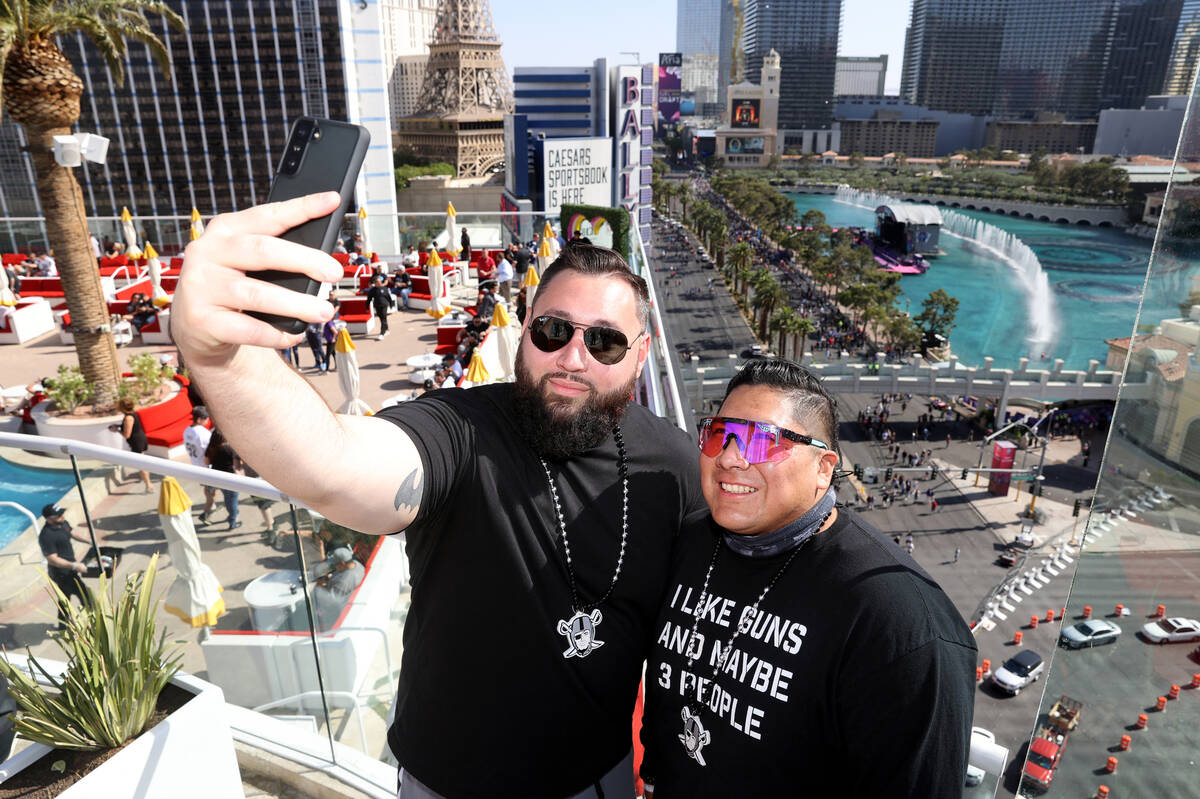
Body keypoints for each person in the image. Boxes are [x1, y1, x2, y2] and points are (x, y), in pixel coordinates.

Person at [171, 192, 704, 798]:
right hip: (446, 783)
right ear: (526, 331)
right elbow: (337, 467)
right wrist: (225, 358)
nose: (571, 357)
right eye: (553, 331)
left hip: (595, 780)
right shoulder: (460, 426)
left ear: (640, 355)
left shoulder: (676, 466)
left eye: (604, 343)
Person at [639, 360, 976, 798]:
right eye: (720, 434)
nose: (730, 458)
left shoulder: (900, 620)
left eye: (763, 441)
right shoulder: (689, 542)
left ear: (823, 468)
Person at [38, 505, 103, 630]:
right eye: (59, 515)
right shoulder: (46, 536)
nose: (63, 516)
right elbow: (52, 559)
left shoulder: (62, 523)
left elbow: (72, 533)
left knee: (65, 599)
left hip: (70, 570)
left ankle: (63, 626)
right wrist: (74, 565)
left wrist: (90, 541)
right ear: (49, 519)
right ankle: (95, 621)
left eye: (62, 513)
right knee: (84, 595)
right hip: (61, 573)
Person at [309, 545, 364, 630]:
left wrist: (319, 587)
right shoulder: (357, 565)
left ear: (342, 563)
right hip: (340, 592)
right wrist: (327, 580)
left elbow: (331, 602)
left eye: (335, 564)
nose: (334, 566)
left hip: (336, 612)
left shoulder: (345, 581)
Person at [184, 406, 218, 524]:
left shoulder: (187, 430)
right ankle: (206, 513)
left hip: (196, 465)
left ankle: (211, 504)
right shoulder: (203, 433)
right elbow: (210, 451)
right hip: (206, 467)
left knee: (208, 489)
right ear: (199, 419)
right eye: (205, 418)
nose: (208, 420)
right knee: (213, 491)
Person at [111, 398, 152, 493]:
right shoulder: (132, 414)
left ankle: (149, 484)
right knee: (141, 461)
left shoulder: (128, 418)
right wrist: (118, 426)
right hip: (140, 439)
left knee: (140, 464)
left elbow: (127, 434)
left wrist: (116, 430)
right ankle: (145, 480)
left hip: (137, 442)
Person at [204, 429, 242, 531]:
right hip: (230, 479)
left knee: (227, 497)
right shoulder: (229, 448)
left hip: (218, 479)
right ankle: (233, 521)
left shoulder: (210, 448)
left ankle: (231, 514)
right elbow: (237, 465)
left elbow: (206, 462)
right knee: (233, 500)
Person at [365, 273, 394, 341]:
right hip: (377, 306)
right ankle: (386, 329)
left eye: (379, 282)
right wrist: (367, 308)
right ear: (374, 283)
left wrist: (391, 305)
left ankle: (382, 333)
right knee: (382, 319)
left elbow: (389, 297)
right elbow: (369, 299)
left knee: (383, 318)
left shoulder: (385, 289)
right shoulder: (372, 290)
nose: (378, 283)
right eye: (376, 282)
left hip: (384, 305)